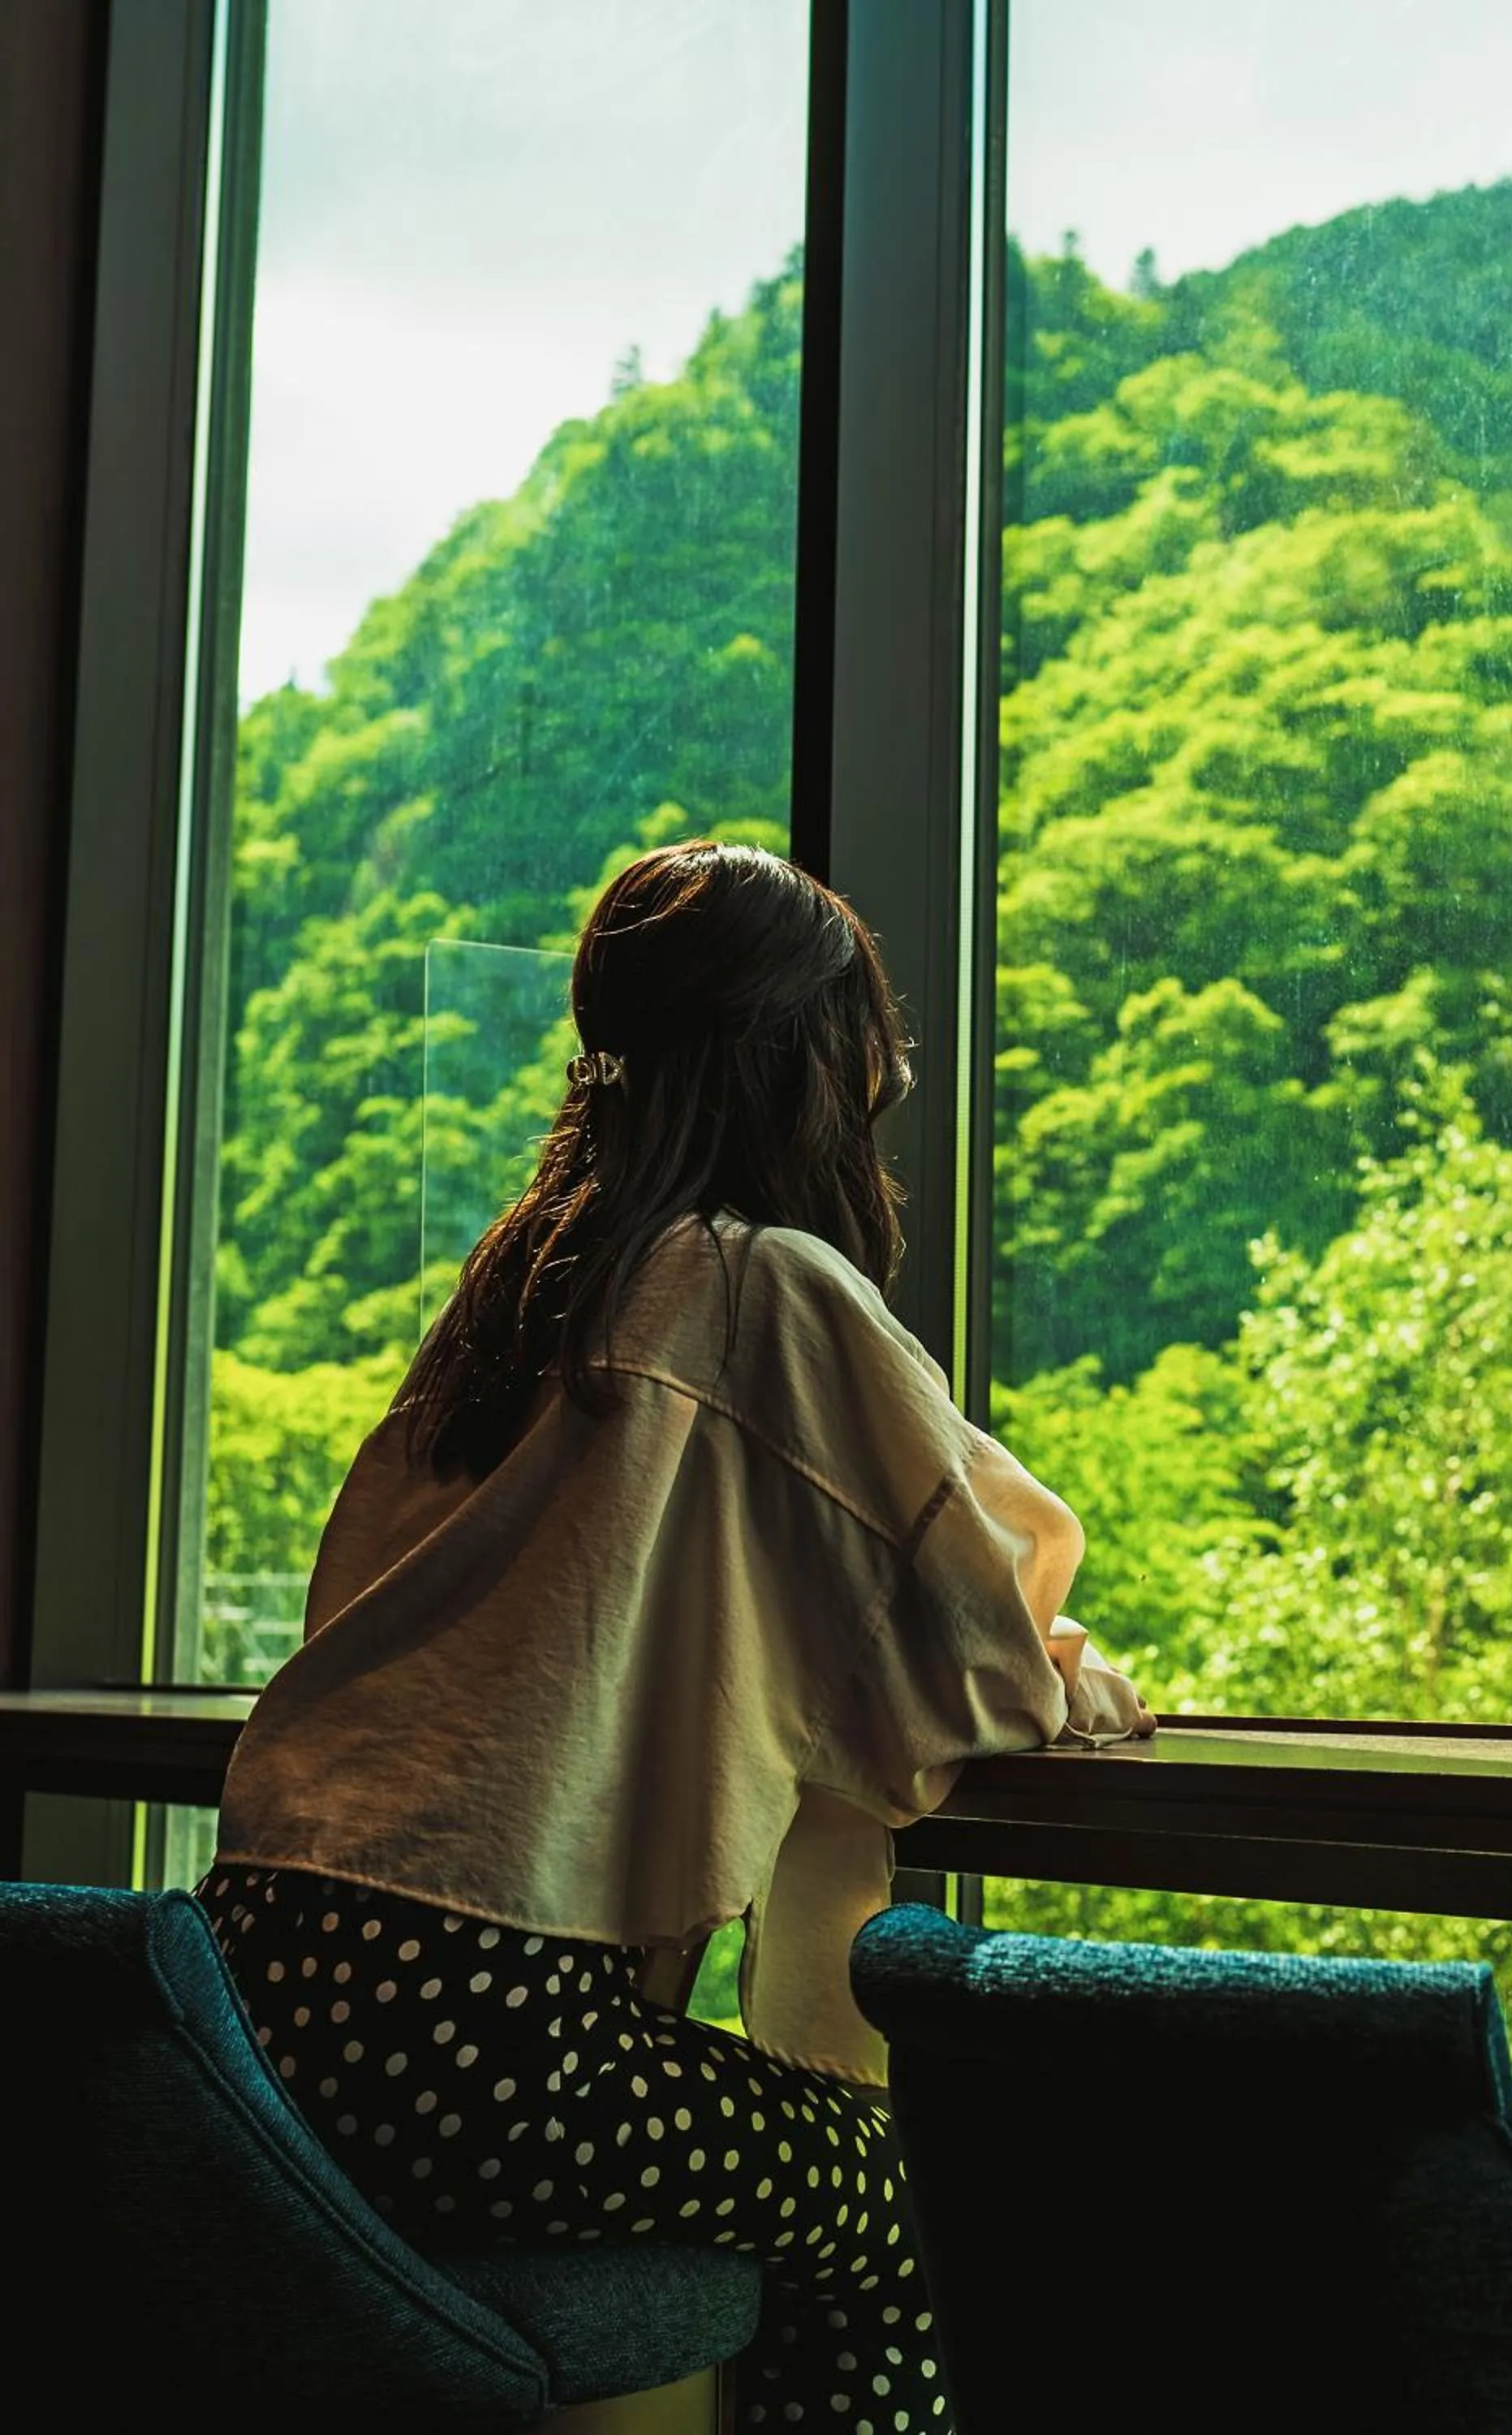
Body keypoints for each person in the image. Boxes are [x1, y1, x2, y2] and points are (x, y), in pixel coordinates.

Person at [198, 839, 1153, 2431]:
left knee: (787, 2169)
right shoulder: (751, 1285)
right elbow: (967, 1627)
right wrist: (1066, 1671)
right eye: (868, 1083)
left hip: (251, 1991)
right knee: (864, 2173)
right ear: (805, 1073)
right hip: (481, 2031)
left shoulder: (519, 1290)